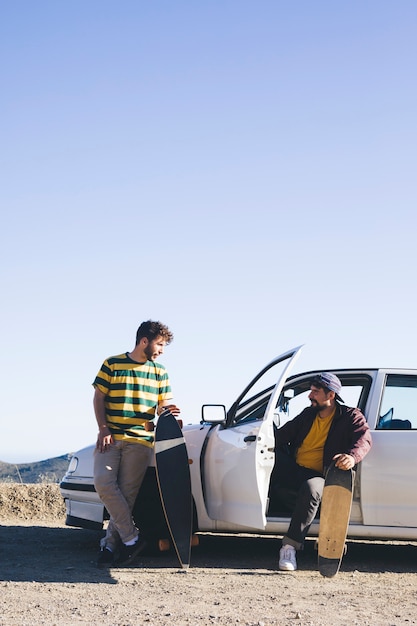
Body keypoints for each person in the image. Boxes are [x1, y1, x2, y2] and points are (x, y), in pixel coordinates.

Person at [93, 320, 180, 568]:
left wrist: (168, 410)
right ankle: (132, 539)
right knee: (103, 483)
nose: (162, 350)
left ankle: (109, 547)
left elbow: (163, 404)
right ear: (145, 341)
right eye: (160, 344)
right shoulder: (112, 364)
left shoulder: (159, 372)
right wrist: (103, 428)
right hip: (110, 438)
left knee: (126, 496)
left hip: (140, 442)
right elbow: (98, 397)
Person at [272, 372, 372, 572]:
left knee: (312, 488)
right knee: (265, 458)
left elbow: (364, 439)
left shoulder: (350, 416)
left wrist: (352, 457)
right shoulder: (308, 414)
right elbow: (281, 435)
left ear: (331, 395)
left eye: (315, 392)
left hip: (320, 476)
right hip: (294, 468)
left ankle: (289, 547)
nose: (310, 396)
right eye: (311, 391)